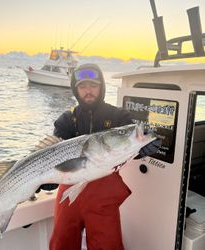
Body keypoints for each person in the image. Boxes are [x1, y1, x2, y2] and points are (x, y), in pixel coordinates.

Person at [49, 63, 160, 250]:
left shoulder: (118, 116)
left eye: (93, 85)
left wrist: (144, 148)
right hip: (70, 185)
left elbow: (134, 138)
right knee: (62, 242)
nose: (88, 91)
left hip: (104, 189)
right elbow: (54, 153)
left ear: (101, 87)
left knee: (108, 244)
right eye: (83, 87)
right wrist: (49, 178)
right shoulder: (66, 119)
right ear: (76, 91)